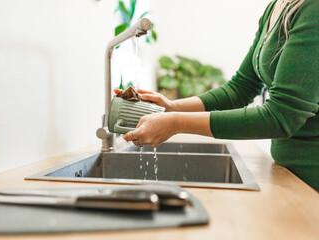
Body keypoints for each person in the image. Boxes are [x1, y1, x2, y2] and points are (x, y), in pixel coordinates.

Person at [116, 0, 319, 191]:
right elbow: (242, 86)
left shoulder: (313, 10)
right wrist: (173, 107)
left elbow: (281, 117)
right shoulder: (278, 6)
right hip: (291, 176)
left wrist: (176, 122)